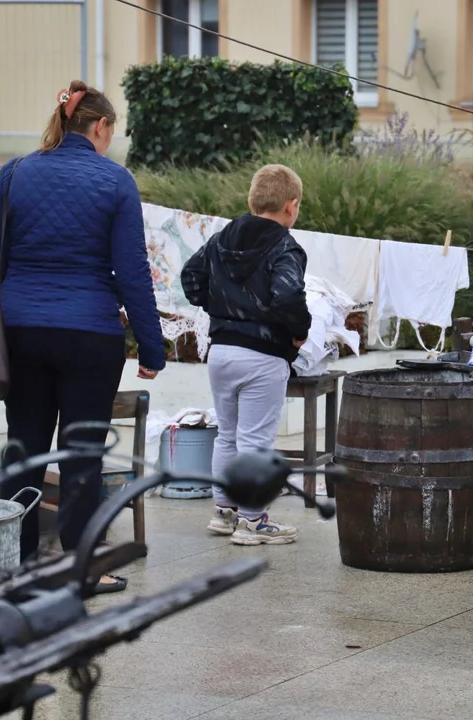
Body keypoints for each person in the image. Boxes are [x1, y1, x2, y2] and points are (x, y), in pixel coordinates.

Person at [0, 80, 166, 593]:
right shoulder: (116, 181)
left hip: (22, 332)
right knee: (82, 456)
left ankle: (19, 569)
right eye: (110, 133)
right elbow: (132, 271)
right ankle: (78, 572)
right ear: (99, 126)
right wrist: (151, 345)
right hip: (89, 335)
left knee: (25, 449)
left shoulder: (14, 174)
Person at [181, 164, 311, 546]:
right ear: (292, 206)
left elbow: (190, 278)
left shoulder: (221, 238)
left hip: (221, 351)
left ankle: (224, 512)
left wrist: (221, 308)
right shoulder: (285, 245)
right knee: (255, 441)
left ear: (251, 201)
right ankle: (253, 521)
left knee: (228, 434)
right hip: (263, 354)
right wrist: (299, 332)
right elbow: (287, 295)